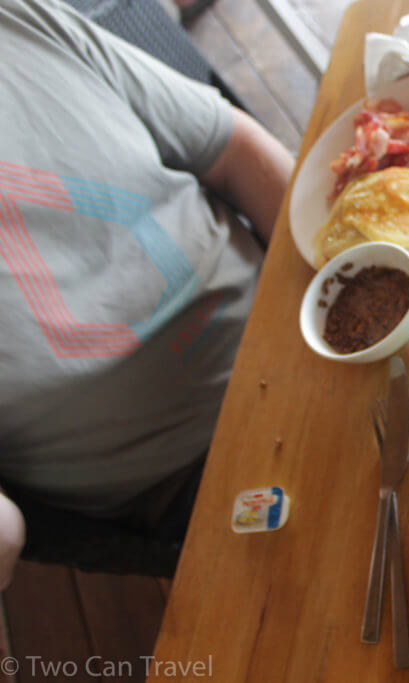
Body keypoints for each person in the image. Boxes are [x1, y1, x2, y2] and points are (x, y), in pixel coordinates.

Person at [0, 0, 295, 584]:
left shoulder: (19, 19)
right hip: (191, 480)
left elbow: (234, 149)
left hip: (298, 327)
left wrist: (337, 282)